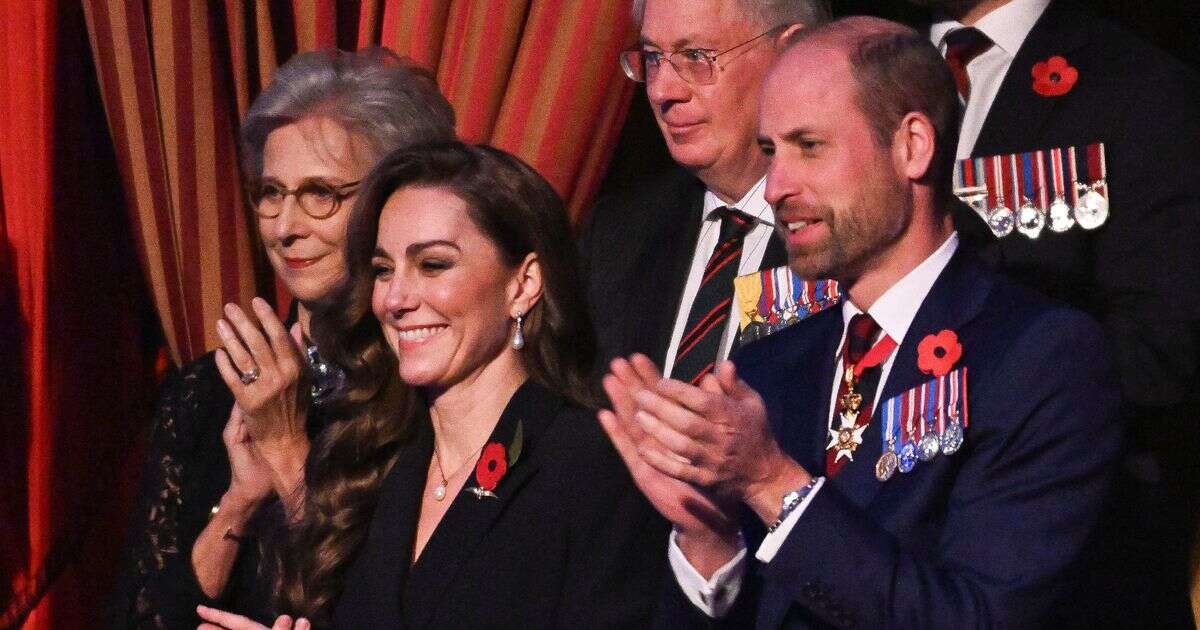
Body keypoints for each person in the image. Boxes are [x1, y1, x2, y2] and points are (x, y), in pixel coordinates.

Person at [600, 17, 1123, 627]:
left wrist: (773, 483)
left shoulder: (1039, 356)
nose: (775, 187)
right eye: (771, 152)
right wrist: (707, 537)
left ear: (912, 146)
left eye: (810, 147)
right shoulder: (769, 364)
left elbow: (979, 617)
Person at [198, 141, 669, 629]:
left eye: (433, 265)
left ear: (524, 284)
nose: (395, 299)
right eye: (383, 270)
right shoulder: (372, 459)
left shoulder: (590, 463)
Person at [110, 48, 455, 628]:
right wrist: (240, 503)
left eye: (320, 194)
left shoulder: (431, 390)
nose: (286, 227)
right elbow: (137, 617)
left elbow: (386, 610)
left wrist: (290, 455)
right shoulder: (205, 392)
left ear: (398, 197)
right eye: (272, 193)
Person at [910, 0, 1200, 623]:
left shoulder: (1135, 85)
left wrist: (961, 406)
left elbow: (1164, 344)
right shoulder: (860, 69)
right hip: (873, 550)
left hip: (1067, 564)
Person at [580, 0, 830, 385]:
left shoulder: (857, 231)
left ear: (791, 55)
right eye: (651, 58)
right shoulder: (617, 233)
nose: (662, 91)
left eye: (696, 56)